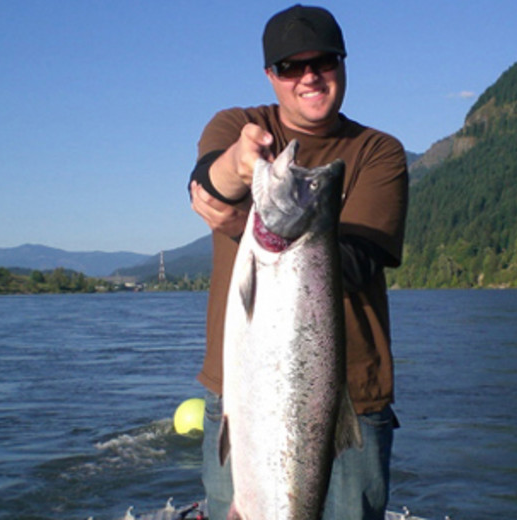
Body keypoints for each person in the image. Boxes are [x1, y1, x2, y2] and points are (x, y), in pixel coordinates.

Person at [187, 5, 408, 519]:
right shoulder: (237, 125)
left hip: (355, 399)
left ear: (343, 64)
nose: (310, 76)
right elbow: (208, 182)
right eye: (291, 66)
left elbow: (357, 262)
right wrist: (238, 166)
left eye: (324, 62)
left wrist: (256, 228)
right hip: (242, 396)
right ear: (271, 75)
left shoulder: (380, 152)